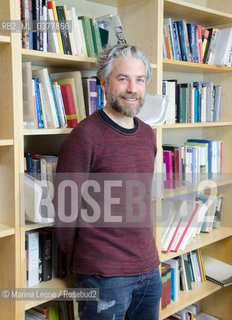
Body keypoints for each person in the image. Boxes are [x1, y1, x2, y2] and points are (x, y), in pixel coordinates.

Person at [54, 44, 162, 320]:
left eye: (139, 80)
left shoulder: (148, 135)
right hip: (104, 275)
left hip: (148, 269)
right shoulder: (85, 136)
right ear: (104, 82)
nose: (132, 88)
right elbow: (66, 210)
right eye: (123, 78)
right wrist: (88, 258)